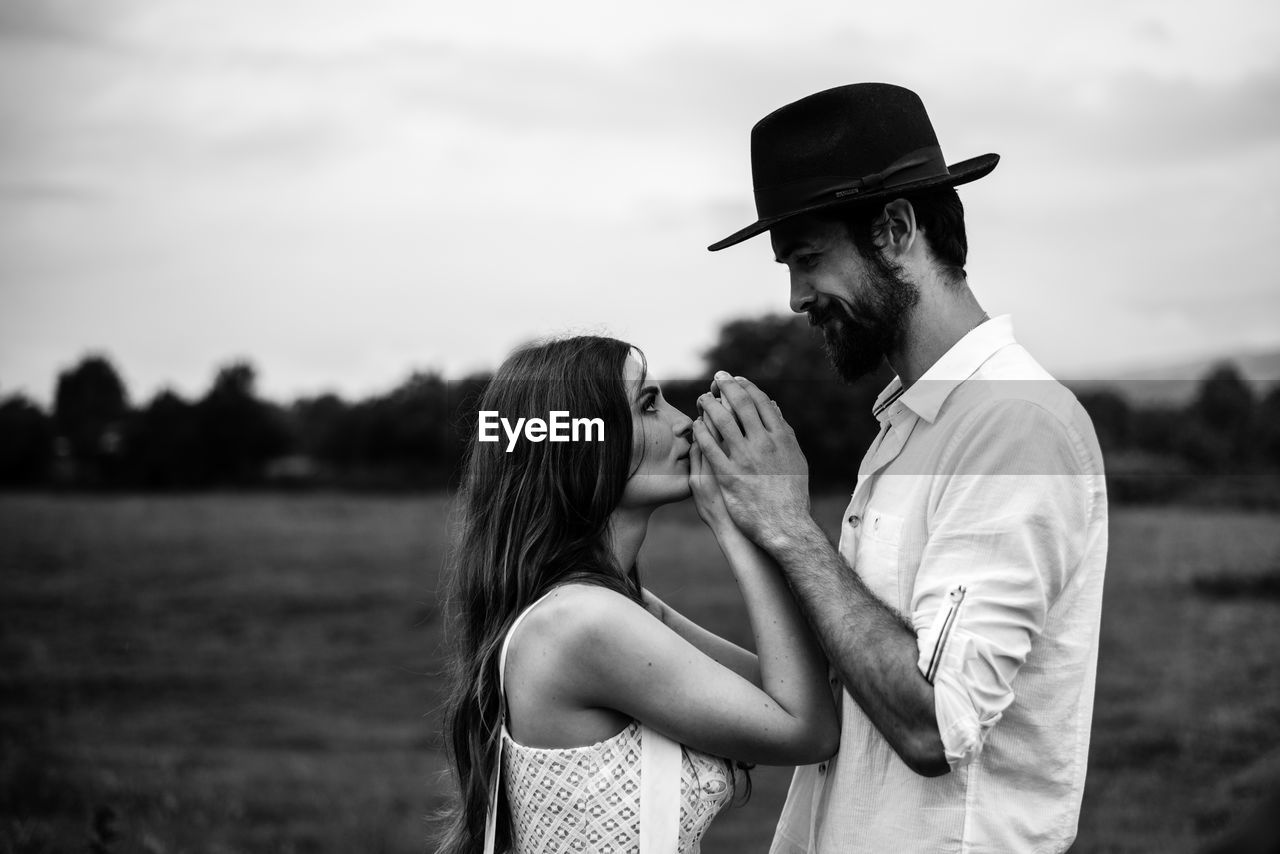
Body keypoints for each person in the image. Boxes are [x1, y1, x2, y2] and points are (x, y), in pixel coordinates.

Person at [699, 83, 1109, 852]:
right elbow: (852, 683)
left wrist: (790, 526)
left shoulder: (1015, 426)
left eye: (809, 259)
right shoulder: (913, 424)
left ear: (893, 229)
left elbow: (932, 728)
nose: (794, 298)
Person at [436, 335, 839, 854]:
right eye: (649, 405)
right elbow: (808, 729)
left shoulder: (611, 606)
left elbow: (796, 692)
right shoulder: (584, 622)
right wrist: (753, 530)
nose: (683, 423)